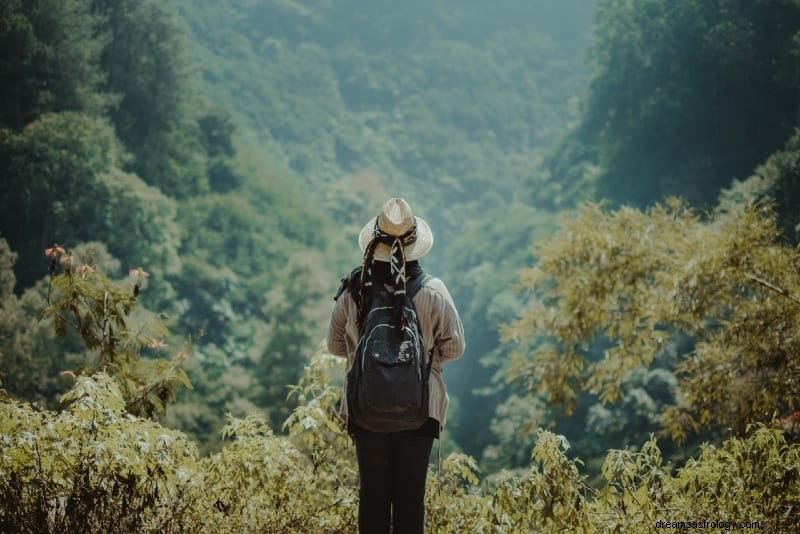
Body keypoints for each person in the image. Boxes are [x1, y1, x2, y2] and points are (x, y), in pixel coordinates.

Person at [327, 197, 465, 534]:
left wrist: (370, 362)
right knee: (410, 500)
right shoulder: (434, 291)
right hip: (420, 408)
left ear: (374, 243)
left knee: (372, 497)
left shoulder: (354, 290)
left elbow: (333, 346)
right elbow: (456, 347)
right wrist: (422, 362)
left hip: (366, 409)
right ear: (416, 246)